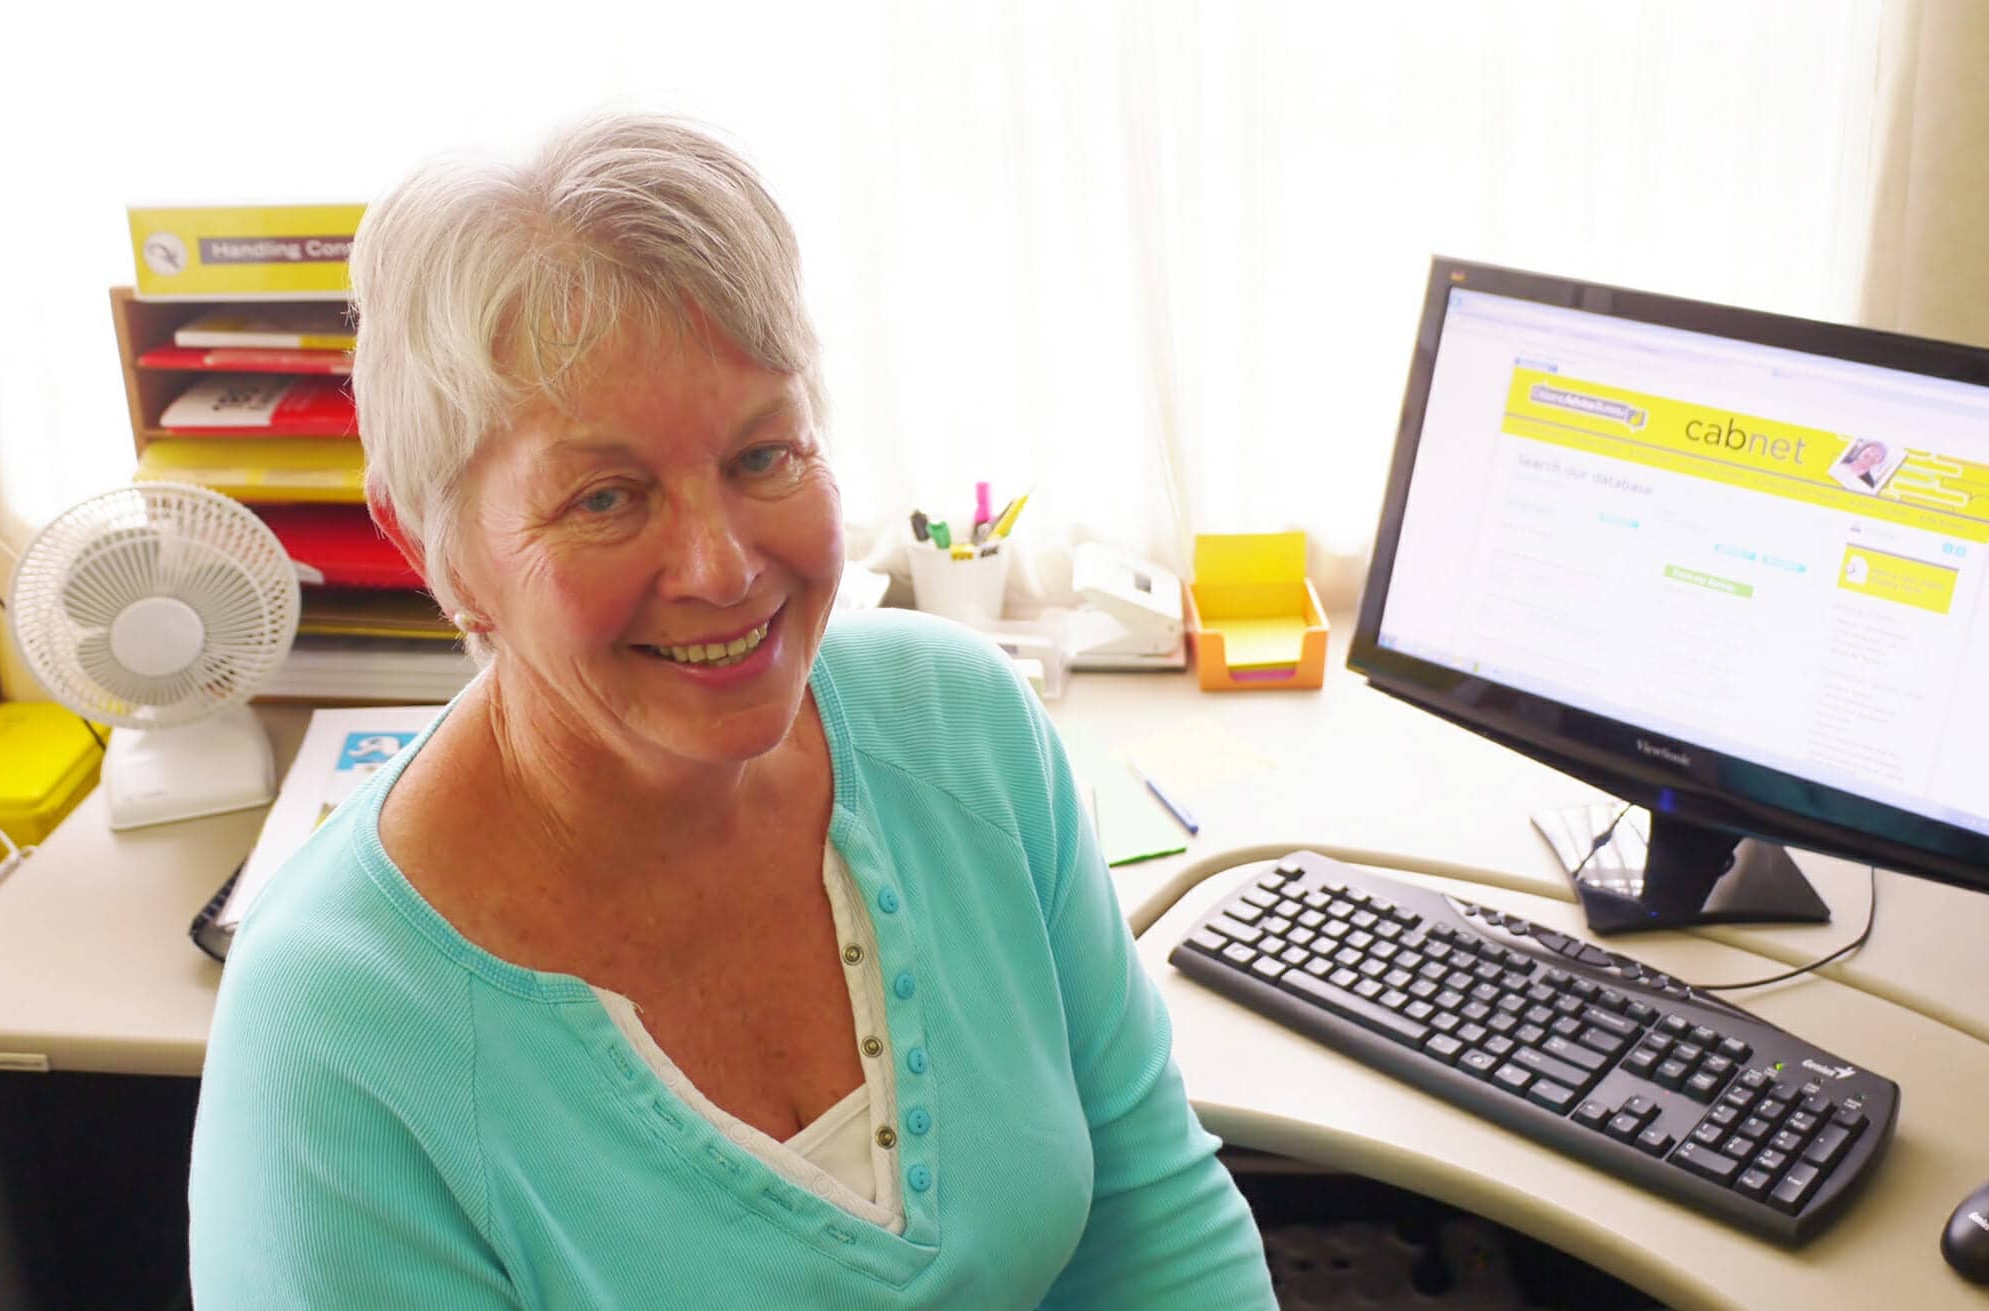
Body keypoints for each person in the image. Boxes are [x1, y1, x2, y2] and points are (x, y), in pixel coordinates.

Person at [188, 113, 1273, 1308]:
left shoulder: (963, 728)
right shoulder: (335, 1030)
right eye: (606, 497)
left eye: (763, 457)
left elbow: (1153, 1222)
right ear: (430, 547)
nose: (721, 567)